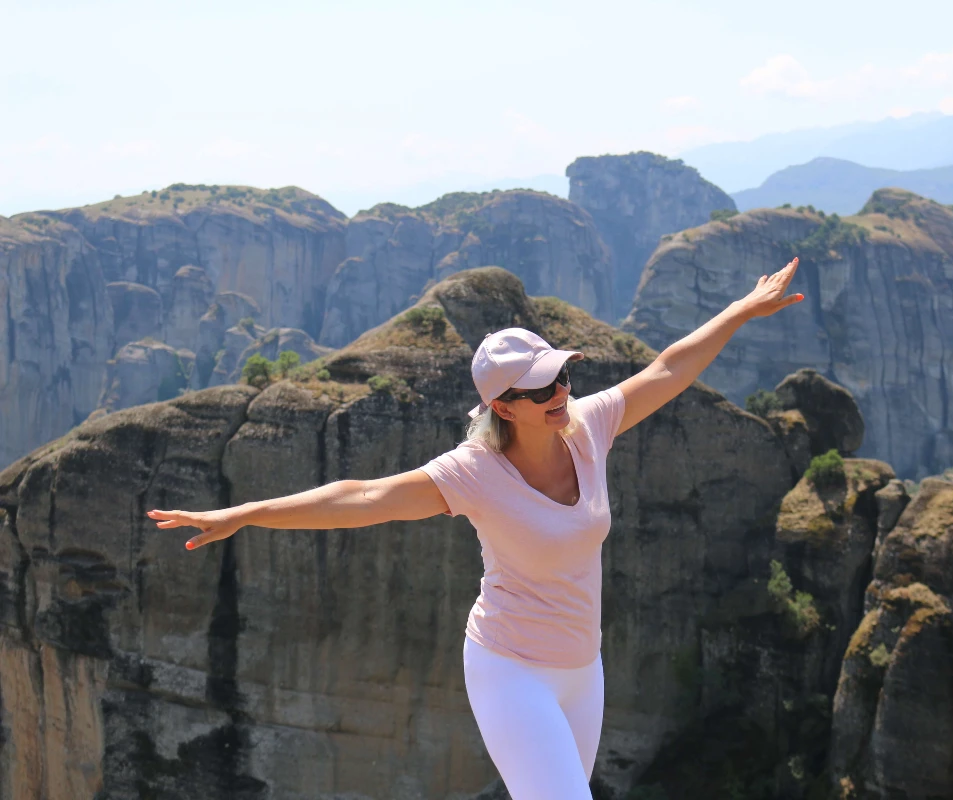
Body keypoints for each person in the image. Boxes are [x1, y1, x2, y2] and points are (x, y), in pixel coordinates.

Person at [147, 257, 805, 800]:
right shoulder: (473, 473)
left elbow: (668, 370)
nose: (560, 393)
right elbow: (365, 496)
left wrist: (744, 308)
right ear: (500, 406)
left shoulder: (589, 426)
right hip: (509, 667)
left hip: (583, 669)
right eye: (542, 387)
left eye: (563, 376)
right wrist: (245, 512)